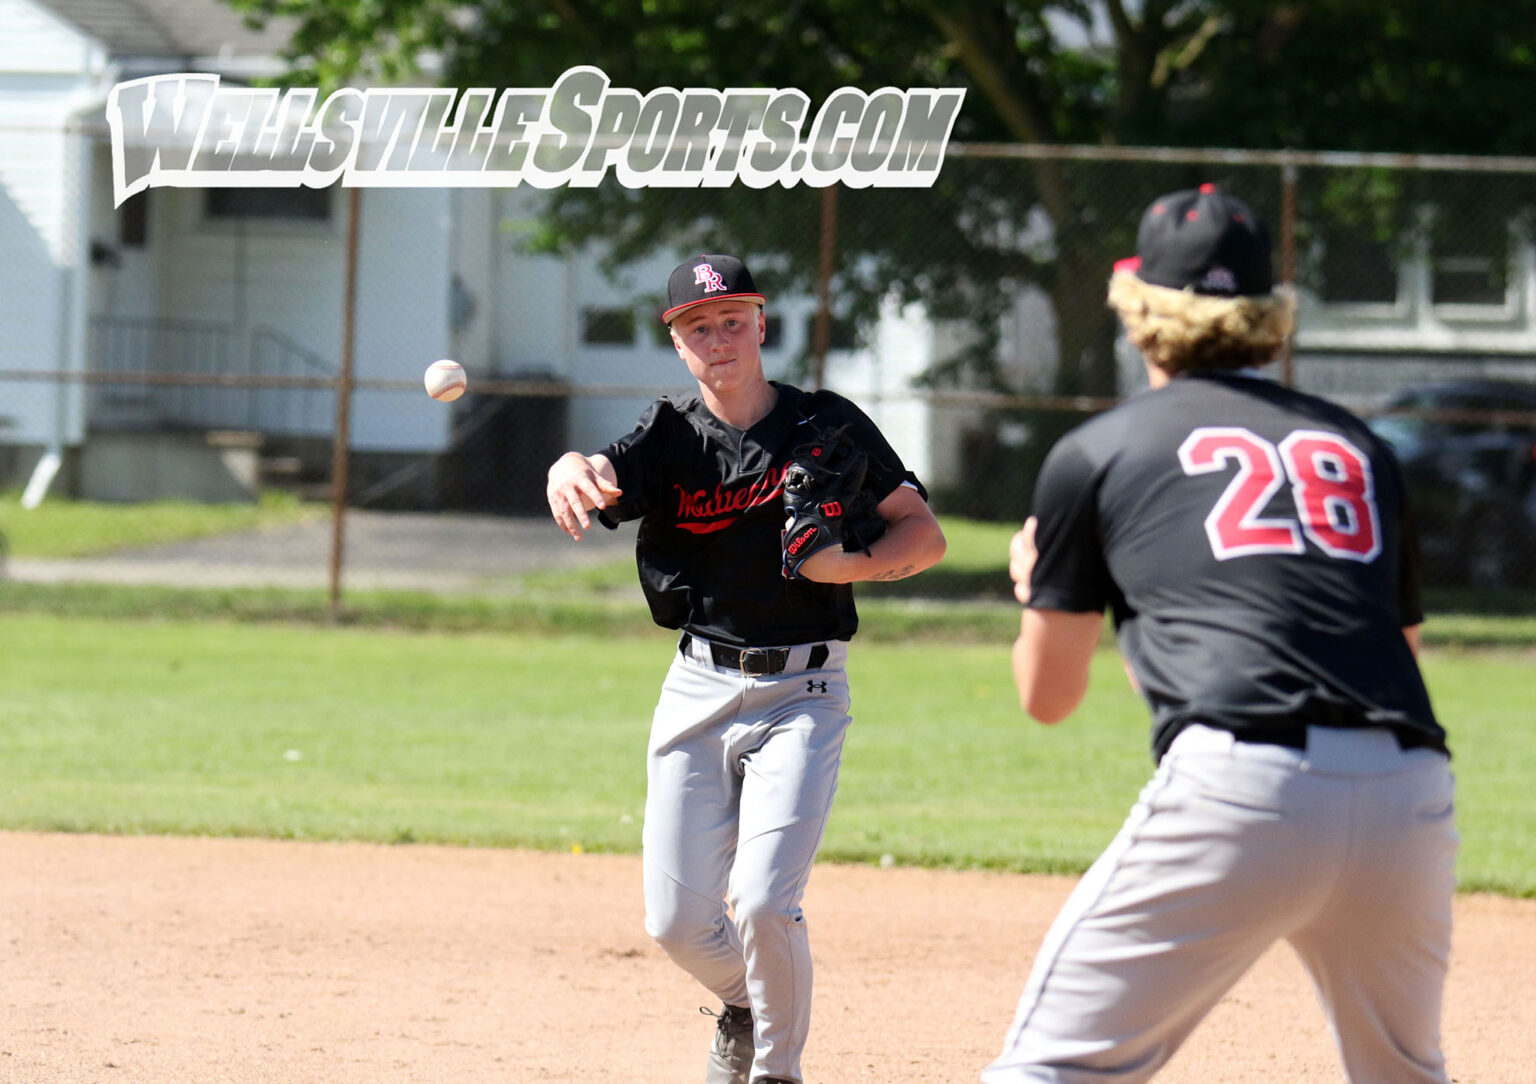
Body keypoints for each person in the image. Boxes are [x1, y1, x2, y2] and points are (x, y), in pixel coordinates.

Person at [984, 186, 1457, 1083]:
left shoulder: (1097, 450)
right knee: (1404, 1075)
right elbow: (1397, 656)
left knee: (1050, 1070)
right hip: (1409, 790)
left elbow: (1049, 700)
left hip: (1241, 787)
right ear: (1267, 313)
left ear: (1139, 312)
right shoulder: (1359, 446)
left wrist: (1034, 588)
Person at [546, 253, 946, 1084]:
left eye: (733, 319)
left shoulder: (826, 426)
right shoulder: (673, 435)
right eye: (699, 326)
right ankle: (746, 1001)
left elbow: (924, 532)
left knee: (765, 900)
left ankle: (776, 1069)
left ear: (762, 324)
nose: (719, 338)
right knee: (675, 924)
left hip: (804, 689)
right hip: (697, 686)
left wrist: (847, 567)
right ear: (678, 344)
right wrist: (566, 467)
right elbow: (605, 473)